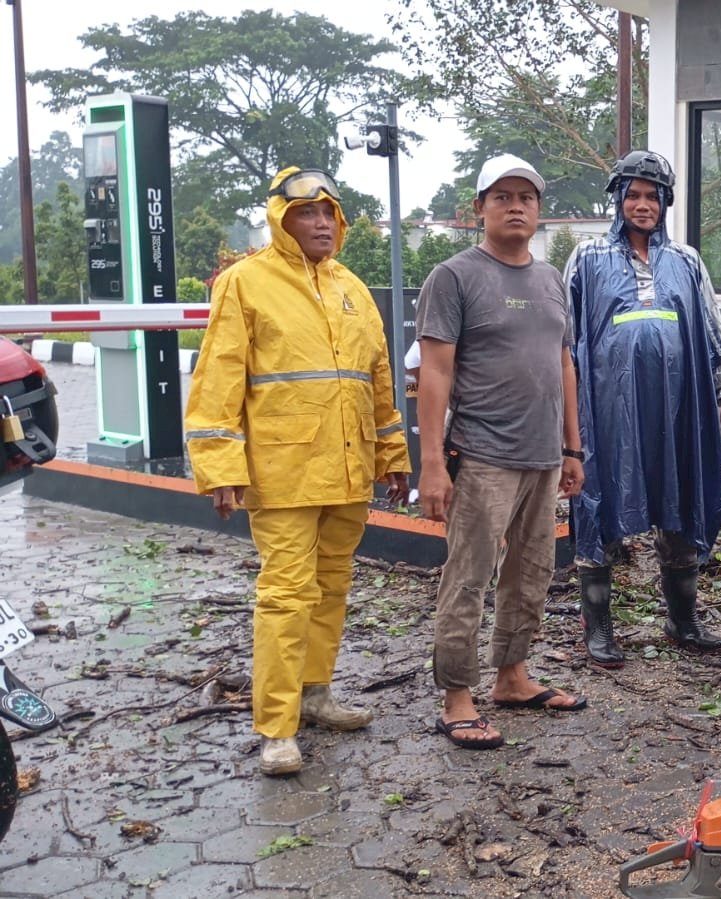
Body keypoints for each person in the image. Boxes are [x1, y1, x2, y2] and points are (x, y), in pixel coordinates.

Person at [185, 166, 410, 776]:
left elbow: (377, 382)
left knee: (332, 586)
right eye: (306, 214)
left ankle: (316, 695)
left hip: (347, 468)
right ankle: (277, 728)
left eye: (328, 214)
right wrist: (220, 466)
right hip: (282, 472)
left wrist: (392, 455)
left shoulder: (353, 288)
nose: (320, 224)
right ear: (280, 219)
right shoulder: (245, 284)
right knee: (285, 595)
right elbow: (219, 378)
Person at [416, 154, 587, 750]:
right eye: (503, 197)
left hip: (543, 457)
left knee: (531, 573)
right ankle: (457, 696)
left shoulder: (549, 279)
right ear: (479, 208)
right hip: (482, 455)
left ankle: (512, 677)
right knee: (468, 577)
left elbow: (563, 363)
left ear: (539, 210)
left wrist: (573, 447)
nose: (516, 206)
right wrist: (432, 463)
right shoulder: (454, 277)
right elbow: (435, 374)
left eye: (527, 198)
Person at [562, 150, 721, 669]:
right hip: (607, 408)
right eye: (633, 195)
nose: (642, 205)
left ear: (665, 202)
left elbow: (711, 330)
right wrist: (565, 415)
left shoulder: (685, 261)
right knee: (597, 500)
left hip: (679, 406)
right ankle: (599, 630)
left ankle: (682, 619)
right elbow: (566, 336)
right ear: (617, 199)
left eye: (652, 196)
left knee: (680, 494)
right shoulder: (588, 259)